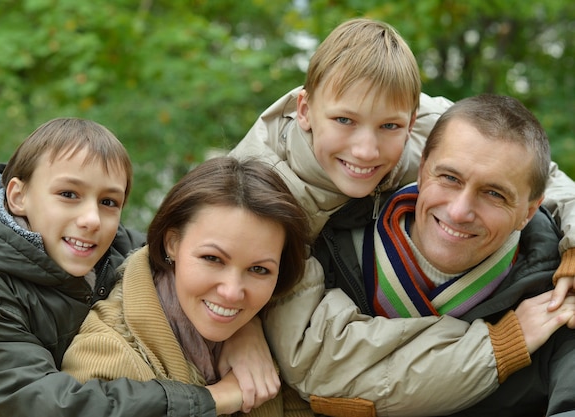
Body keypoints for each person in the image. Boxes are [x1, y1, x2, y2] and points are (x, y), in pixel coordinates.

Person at [226, 17, 575, 415]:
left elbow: (535, 169)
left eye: (389, 126)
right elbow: (315, 360)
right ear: (304, 110)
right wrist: (503, 344)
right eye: (344, 121)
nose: (366, 150)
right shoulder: (261, 197)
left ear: (411, 124)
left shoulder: (425, 119)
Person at [0, 118, 268, 417]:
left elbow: (200, 272)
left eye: (108, 202)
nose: (91, 220)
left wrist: (244, 332)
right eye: (68, 194)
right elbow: (44, 404)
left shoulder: (116, 248)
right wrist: (213, 398)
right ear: (18, 197)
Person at [61, 156, 314, 417]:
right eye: (213, 259)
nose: (231, 292)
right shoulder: (107, 354)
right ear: (172, 243)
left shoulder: (278, 341)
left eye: (259, 269)